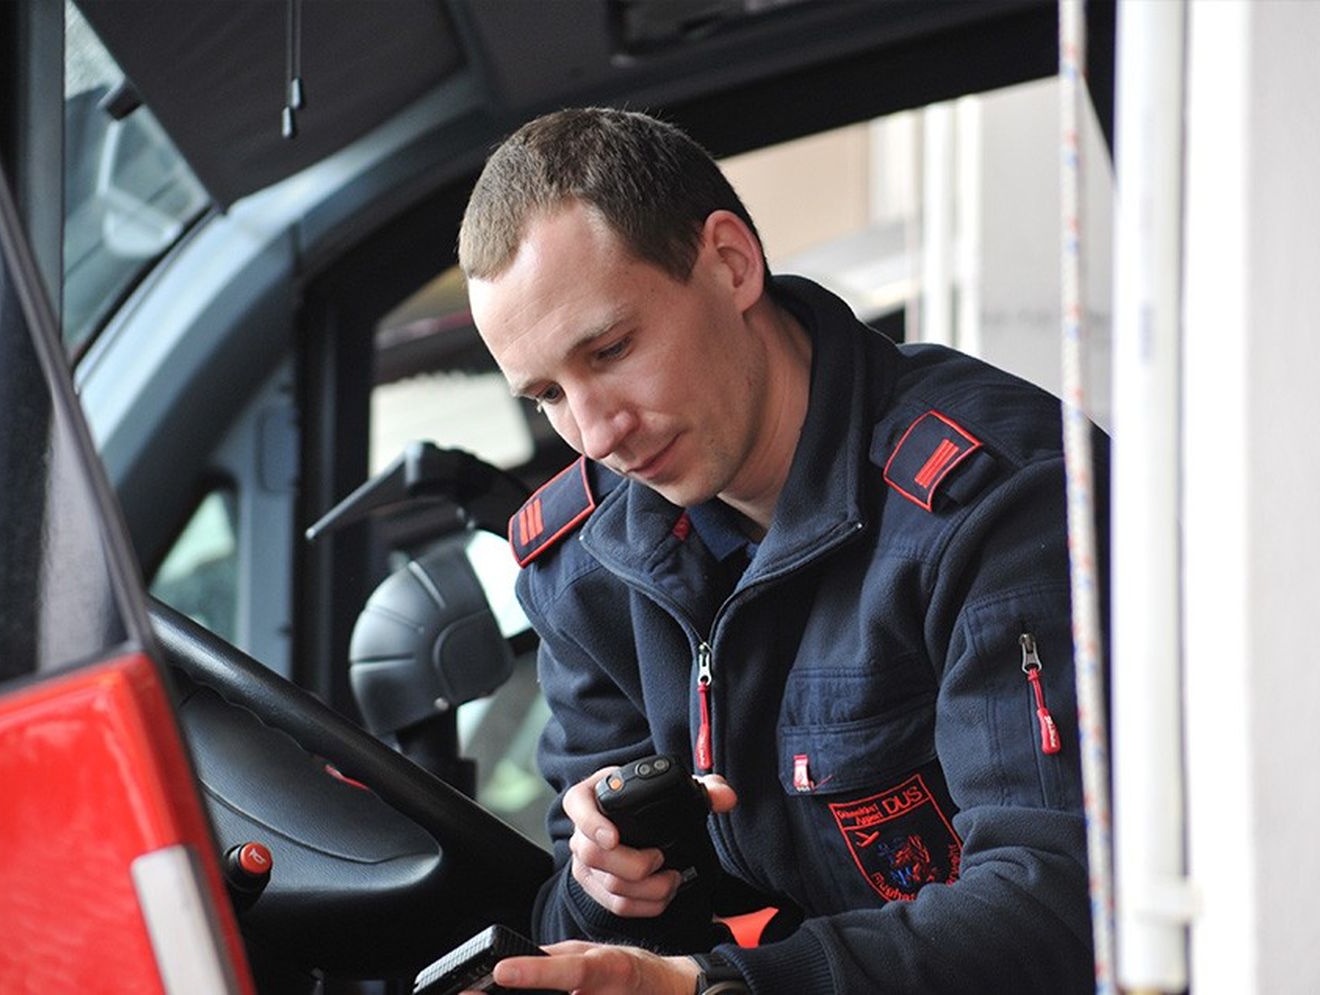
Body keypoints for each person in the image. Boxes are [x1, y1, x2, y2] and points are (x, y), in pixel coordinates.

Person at [457, 107, 1106, 994]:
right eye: (548, 396)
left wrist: (718, 986)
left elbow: (1063, 904)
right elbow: (576, 929)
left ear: (730, 263)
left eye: (611, 348)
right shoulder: (584, 568)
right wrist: (608, 886)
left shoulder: (996, 501)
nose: (596, 432)